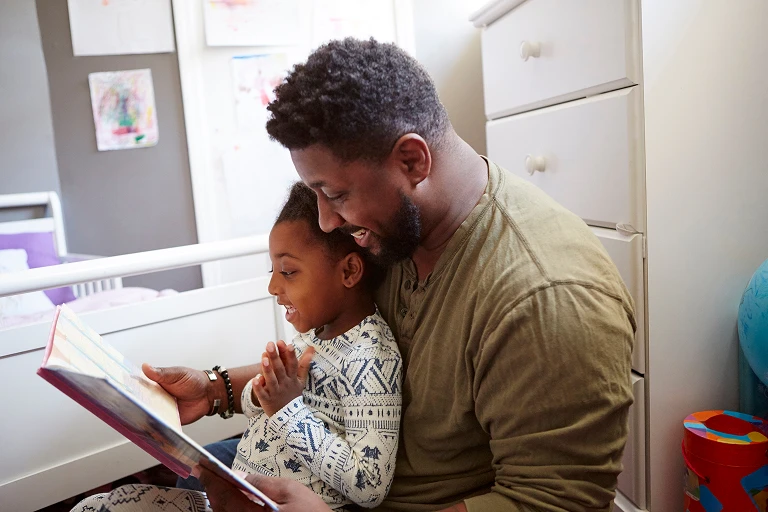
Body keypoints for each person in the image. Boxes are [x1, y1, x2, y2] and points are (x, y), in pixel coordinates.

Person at [73, 37, 635, 512]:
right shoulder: (393, 233)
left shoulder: (545, 298)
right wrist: (216, 388)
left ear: (412, 160)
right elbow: (332, 364)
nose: (325, 220)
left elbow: (552, 503)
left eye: (335, 194)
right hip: (320, 461)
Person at [72, 181, 402, 512]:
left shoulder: (372, 359)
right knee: (94, 506)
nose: (272, 286)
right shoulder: (316, 334)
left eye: (288, 271)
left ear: (349, 271)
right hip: (238, 497)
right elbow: (272, 411)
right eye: (273, 270)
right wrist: (256, 395)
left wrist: (286, 409)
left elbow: (369, 484)